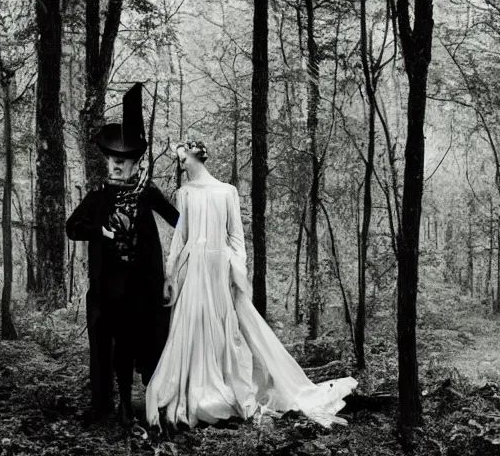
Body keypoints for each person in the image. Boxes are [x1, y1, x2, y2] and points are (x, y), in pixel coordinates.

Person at [145, 141, 357, 429]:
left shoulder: (227, 191)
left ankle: (225, 382)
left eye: (182, 157)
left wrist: (237, 272)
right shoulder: (184, 193)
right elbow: (180, 238)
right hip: (192, 268)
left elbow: (236, 237)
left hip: (219, 267)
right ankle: (198, 387)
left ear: (194, 155)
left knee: (223, 324)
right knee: (192, 324)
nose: (180, 162)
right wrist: (170, 275)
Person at [66, 83, 179, 426]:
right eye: (111, 161)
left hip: (140, 286)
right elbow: (72, 228)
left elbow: (180, 221)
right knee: (103, 346)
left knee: (139, 342)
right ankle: (103, 408)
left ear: (133, 164)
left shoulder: (148, 193)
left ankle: (138, 405)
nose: (114, 167)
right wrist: (99, 231)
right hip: (104, 287)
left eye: (121, 162)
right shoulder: (99, 197)